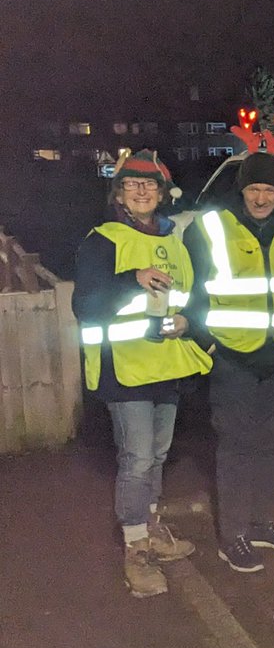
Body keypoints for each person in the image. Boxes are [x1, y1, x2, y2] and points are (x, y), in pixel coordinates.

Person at [73, 150, 212, 598]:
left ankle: (148, 524)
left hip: (167, 364)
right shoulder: (103, 240)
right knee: (136, 457)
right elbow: (85, 305)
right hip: (125, 366)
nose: (142, 191)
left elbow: (193, 295)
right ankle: (136, 546)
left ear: (162, 193)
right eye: (132, 185)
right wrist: (132, 277)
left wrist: (191, 322)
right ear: (118, 193)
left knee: (157, 452)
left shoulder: (176, 239)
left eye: (149, 185)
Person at [182, 152, 274, 573]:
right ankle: (233, 534)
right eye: (254, 189)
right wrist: (210, 344)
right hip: (234, 357)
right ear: (241, 190)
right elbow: (190, 292)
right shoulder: (211, 228)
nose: (261, 197)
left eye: (269, 189)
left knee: (271, 442)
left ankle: (260, 522)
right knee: (237, 444)